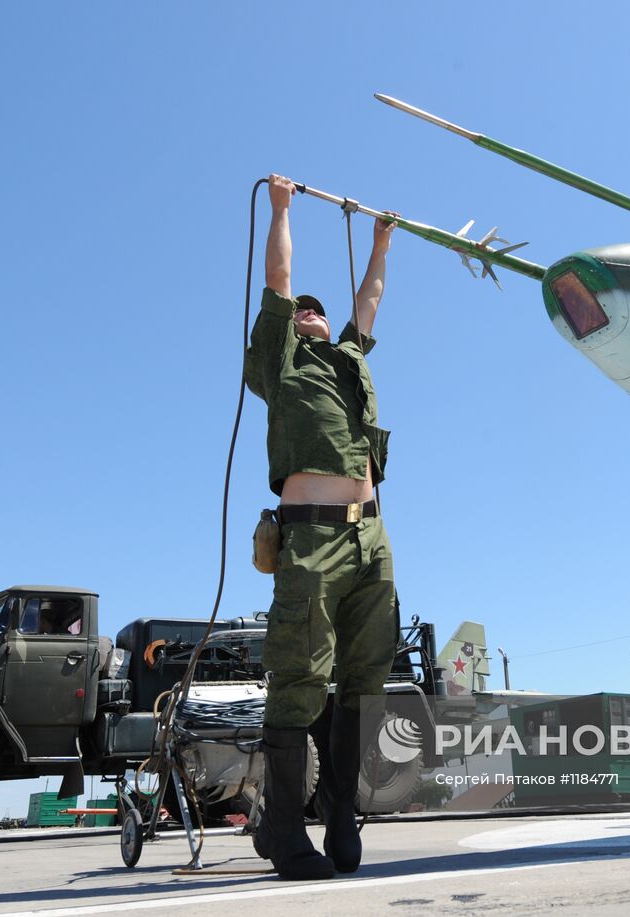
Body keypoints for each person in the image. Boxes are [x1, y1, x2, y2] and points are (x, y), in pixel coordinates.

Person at [243, 173, 398, 880]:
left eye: (317, 311)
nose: (310, 312)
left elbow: (368, 299)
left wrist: (380, 240)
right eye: (303, 311)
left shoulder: (349, 358)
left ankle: (341, 808)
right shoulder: (282, 362)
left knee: (366, 681)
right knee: (301, 675)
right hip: (310, 537)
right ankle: (282, 829)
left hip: (372, 537)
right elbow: (279, 276)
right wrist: (282, 208)